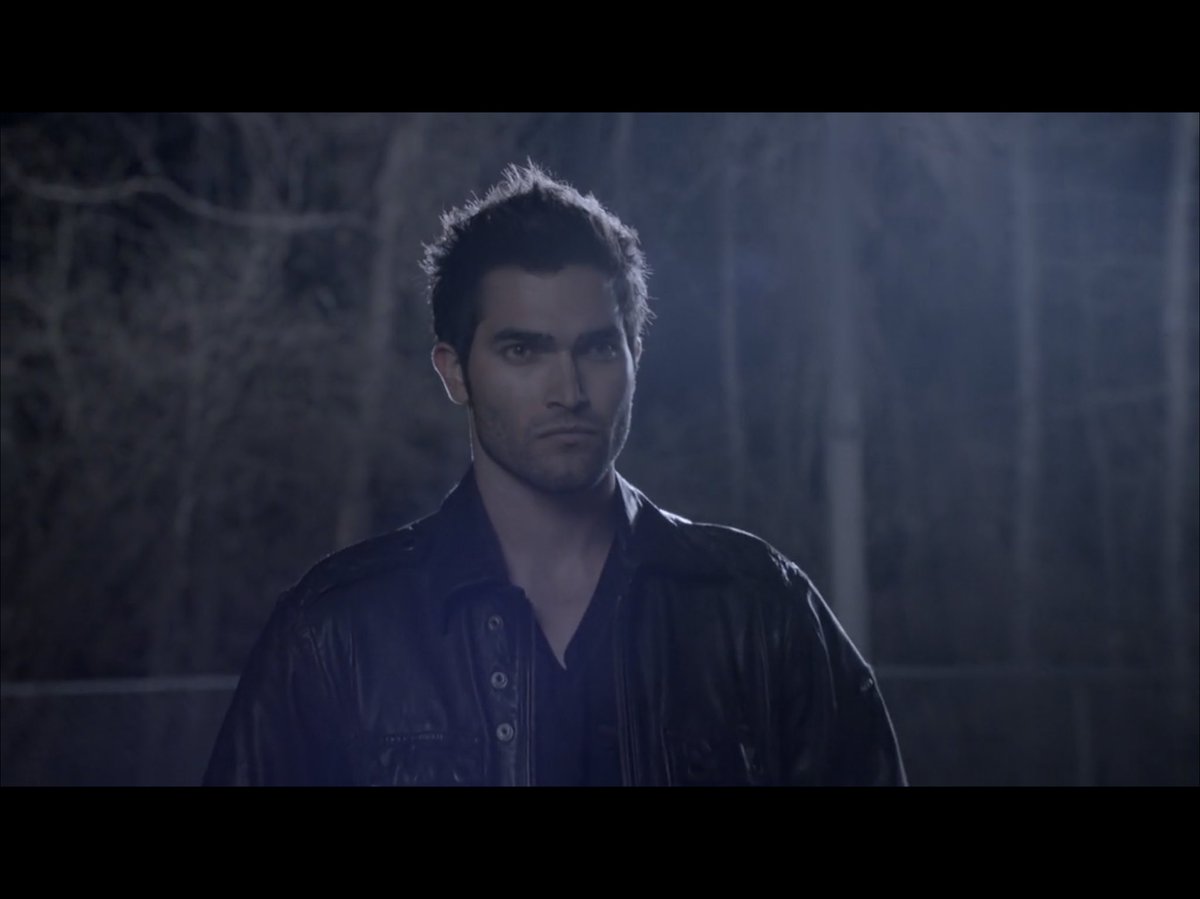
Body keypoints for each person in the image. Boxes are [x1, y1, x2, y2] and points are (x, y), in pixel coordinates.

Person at [203, 163, 907, 786]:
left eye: (597, 349)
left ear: (634, 356)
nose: (568, 391)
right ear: (455, 372)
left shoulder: (758, 610)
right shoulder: (338, 631)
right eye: (523, 351)